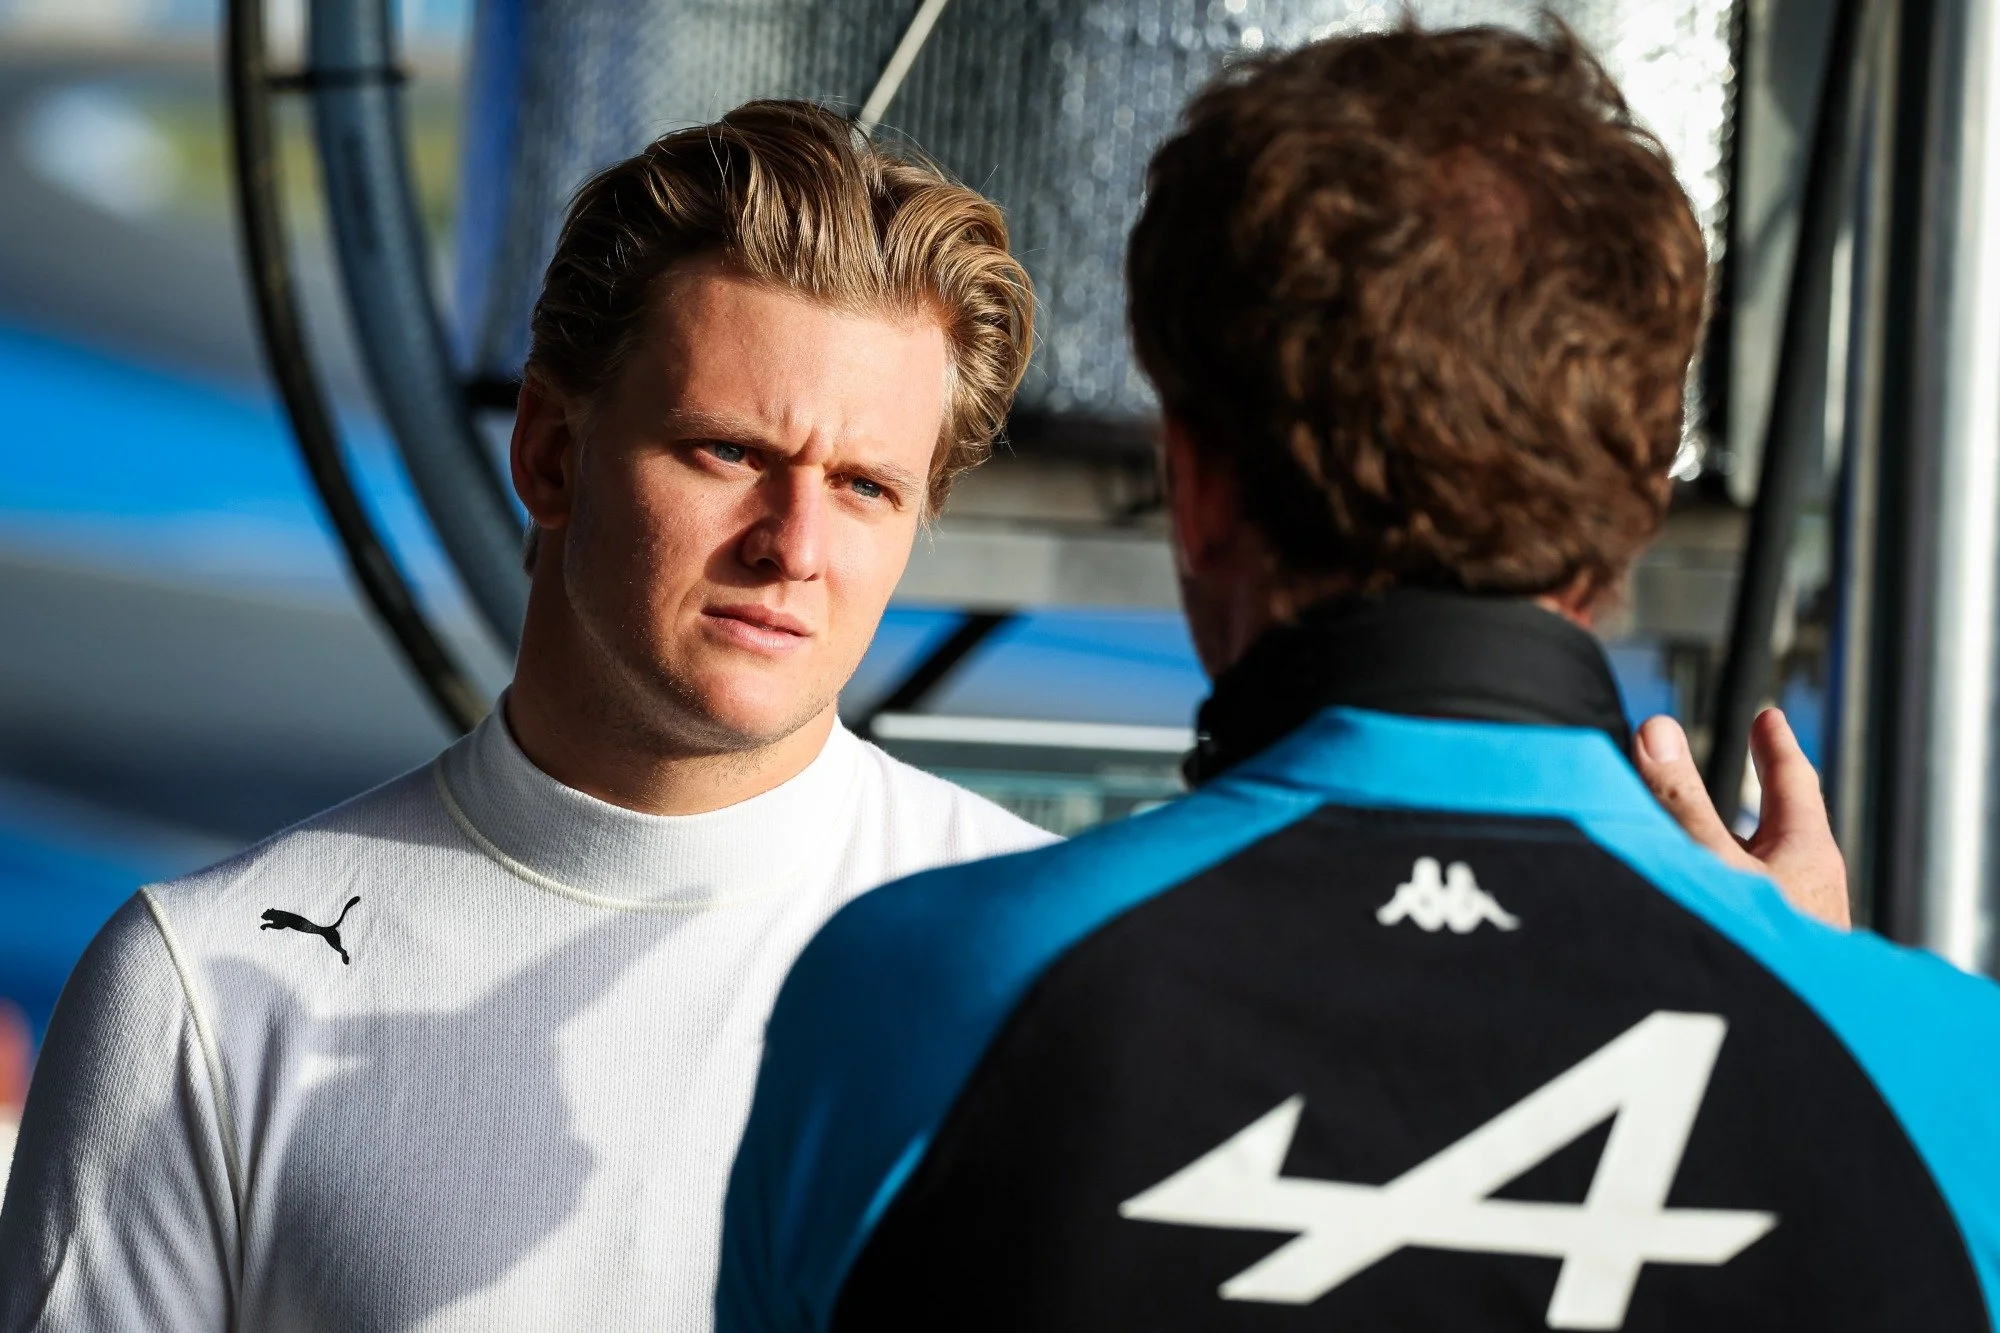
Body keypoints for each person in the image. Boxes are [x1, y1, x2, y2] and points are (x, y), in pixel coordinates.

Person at [716, 24, 2000, 1331]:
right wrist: (1815, 997)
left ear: (1196, 488)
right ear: (1631, 504)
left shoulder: (912, 995)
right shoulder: (1946, 1082)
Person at [0, 101, 1055, 1330]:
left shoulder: (1057, 975)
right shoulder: (203, 992)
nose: (794, 546)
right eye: (726, 452)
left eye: (865, 486)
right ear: (550, 451)